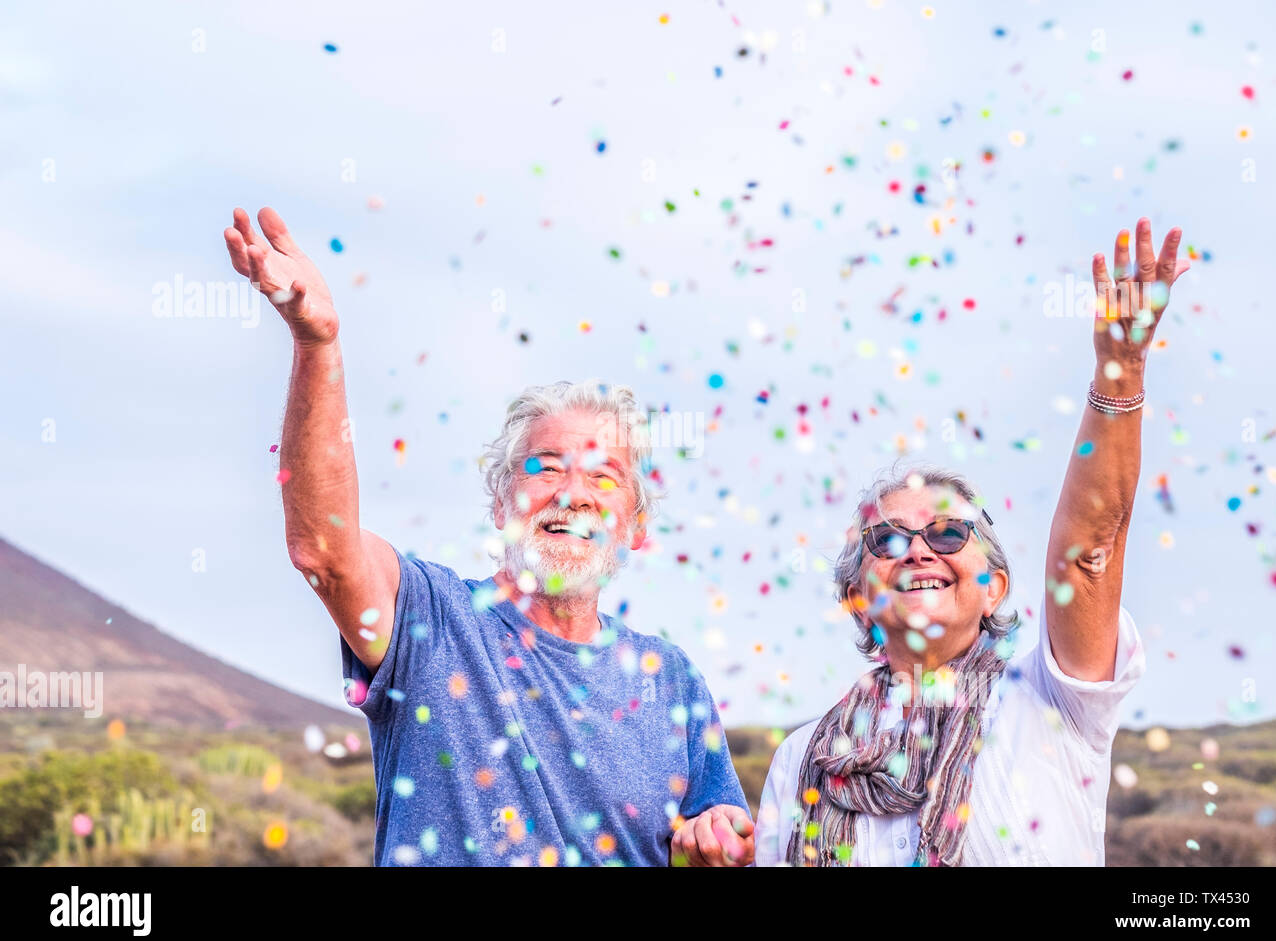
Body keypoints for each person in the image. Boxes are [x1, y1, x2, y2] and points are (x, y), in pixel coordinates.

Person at [222, 206, 753, 867]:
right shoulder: (433, 621)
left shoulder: (670, 681)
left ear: (636, 528)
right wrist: (317, 343)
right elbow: (324, 553)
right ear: (501, 502)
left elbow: (710, 848)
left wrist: (717, 850)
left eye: (605, 477)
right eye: (548, 466)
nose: (573, 493)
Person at [755, 218, 1190, 866]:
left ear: (995, 587)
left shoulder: (1049, 698)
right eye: (887, 539)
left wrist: (1119, 373)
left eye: (949, 532)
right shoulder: (801, 760)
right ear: (856, 597)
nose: (919, 550)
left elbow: (1090, 553)